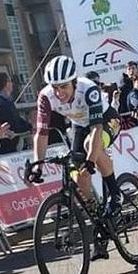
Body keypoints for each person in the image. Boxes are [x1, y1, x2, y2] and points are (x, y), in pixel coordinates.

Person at [28, 55, 122, 261]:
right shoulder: (45, 96)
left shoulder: (88, 89)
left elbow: (97, 128)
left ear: (74, 82)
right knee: (79, 178)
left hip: (107, 120)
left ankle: (115, 193)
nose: (59, 93)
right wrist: (37, 166)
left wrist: (90, 160)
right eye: (55, 87)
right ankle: (99, 220)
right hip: (79, 125)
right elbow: (41, 134)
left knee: (92, 149)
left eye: (64, 87)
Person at [0, 71, 32, 154]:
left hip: (13, 146)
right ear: (6, 84)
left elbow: (17, 119)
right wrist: (29, 128)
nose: (12, 83)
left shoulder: (6, 100)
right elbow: (13, 125)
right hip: (6, 149)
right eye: (10, 81)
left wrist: (29, 125)